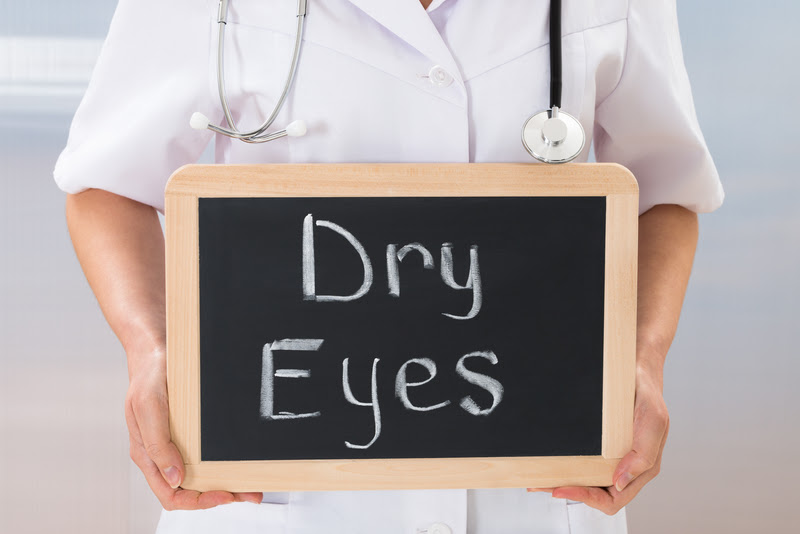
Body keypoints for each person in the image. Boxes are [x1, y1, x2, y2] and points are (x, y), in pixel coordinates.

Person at [53, 0, 724, 532]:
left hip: (536, 494)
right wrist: (152, 352)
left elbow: (664, 193)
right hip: (273, 494)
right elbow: (108, 187)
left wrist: (642, 362)